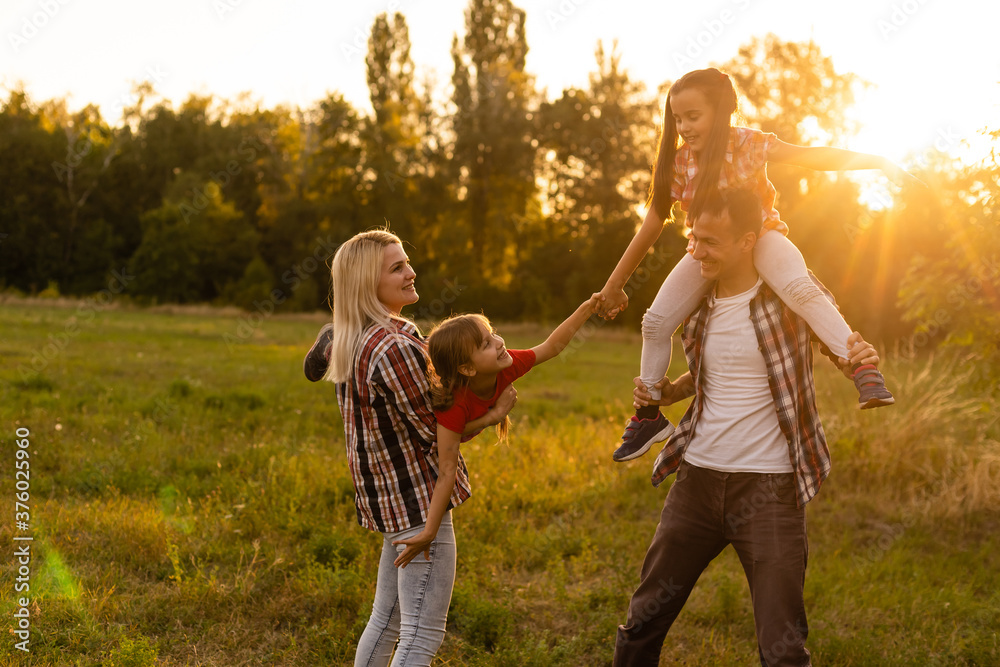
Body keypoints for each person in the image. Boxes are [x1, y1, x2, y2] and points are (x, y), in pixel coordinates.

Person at [612, 189, 881, 666]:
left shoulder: (787, 300)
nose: (696, 251)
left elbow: (837, 345)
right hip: (696, 483)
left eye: (710, 241)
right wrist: (671, 391)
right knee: (642, 623)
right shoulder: (699, 304)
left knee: (783, 649)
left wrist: (857, 360)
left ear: (748, 241)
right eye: (693, 238)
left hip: (770, 492)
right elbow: (720, 369)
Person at [600, 67, 915, 463]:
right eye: (677, 119)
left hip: (761, 236)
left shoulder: (748, 143)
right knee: (655, 322)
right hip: (708, 248)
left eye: (693, 117)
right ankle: (648, 416)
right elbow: (652, 223)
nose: (684, 127)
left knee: (801, 290)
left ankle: (861, 370)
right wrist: (615, 284)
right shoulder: (680, 162)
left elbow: (811, 158)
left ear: (722, 111)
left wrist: (878, 161)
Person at [317, 229, 515, 667]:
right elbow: (438, 431)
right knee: (420, 634)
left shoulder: (358, 338)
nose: (411, 272)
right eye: (397, 267)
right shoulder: (394, 346)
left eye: (406, 262)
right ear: (369, 284)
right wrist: (493, 413)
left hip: (389, 498)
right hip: (418, 500)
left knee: (386, 620)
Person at [393, 299, 599, 567]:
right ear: (467, 368)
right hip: (411, 445)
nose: (499, 342)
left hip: (446, 433)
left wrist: (587, 307)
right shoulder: (454, 404)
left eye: (493, 334)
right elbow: (446, 470)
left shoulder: (505, 364)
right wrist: (429, 532)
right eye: (486, 344)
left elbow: (551, 347)